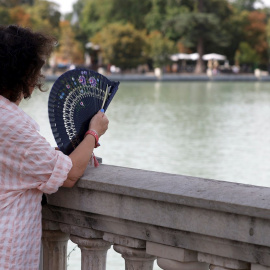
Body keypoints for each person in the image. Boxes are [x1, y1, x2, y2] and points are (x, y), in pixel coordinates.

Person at [0, 25, 109, 270]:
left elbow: (18, 158)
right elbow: (69, 175)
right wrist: (94, 132)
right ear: (25, 74)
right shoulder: (10, 121)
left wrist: (55, 154)